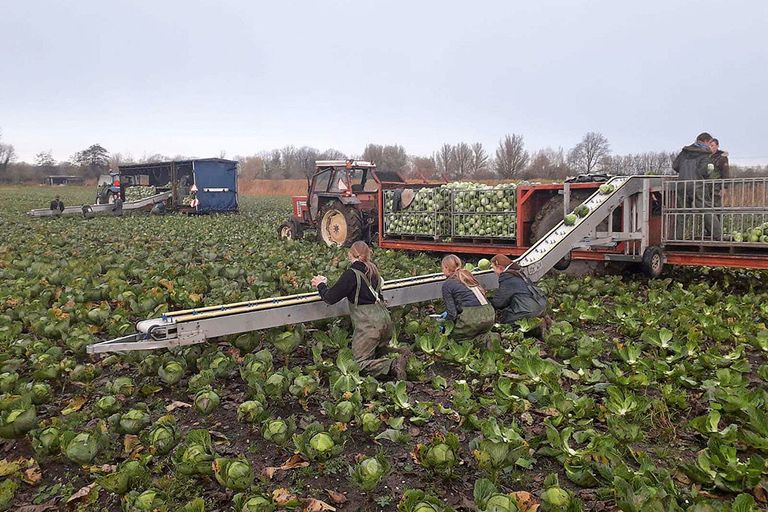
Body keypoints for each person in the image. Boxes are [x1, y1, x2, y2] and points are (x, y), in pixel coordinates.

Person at [311, 241, 406, 379]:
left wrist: (320, 285)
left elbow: (330, 298)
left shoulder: (352, 274)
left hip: (369, 325)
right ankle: (402, 352)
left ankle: (393, 365)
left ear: (350, 254)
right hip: (385, 320)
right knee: (378, 352)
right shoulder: (374, 271)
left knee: (359, 365)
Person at [672, 132, 720, 240]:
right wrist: (709, 169)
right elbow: (703, 171)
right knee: (706, 209)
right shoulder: (704, 153)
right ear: (705, 141)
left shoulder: (684, 152)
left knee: (682, 213)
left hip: (681, 185)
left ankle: (677, 238)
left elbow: (675, 166)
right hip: (696, 185)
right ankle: (718, 236)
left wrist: (684, 170)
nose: (709, 146)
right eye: (709, 143)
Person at [437, 254, 495, 341]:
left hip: (471, 319)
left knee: (453, 339)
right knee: (478, 335)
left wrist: (445, 326)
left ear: (446, 268)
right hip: (489, 315)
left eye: (443, 268)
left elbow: (452, 313)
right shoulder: (468, 277)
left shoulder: (448, 284)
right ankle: (488, 339)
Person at [489, 255, 550, 337]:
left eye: (493, 268)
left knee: (505, 320)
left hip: (529, 309)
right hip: (540, 304)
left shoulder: (507, 277)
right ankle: (538, 324)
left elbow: (499, 303)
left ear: (499, 267)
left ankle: (524, 333)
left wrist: (487, 302)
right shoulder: (518, 271)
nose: (494, 271)